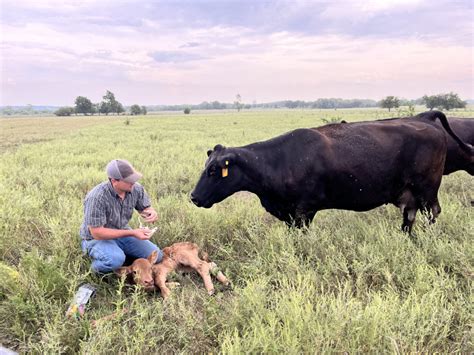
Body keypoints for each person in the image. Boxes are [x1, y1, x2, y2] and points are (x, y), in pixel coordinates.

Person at [80, 159, 163, 273]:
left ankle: (123, 260)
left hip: (122, 233)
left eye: (134, 178)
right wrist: (133, 232)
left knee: (156, 256)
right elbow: (97, 233)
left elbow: (145, 208)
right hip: (96, 239)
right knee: (114, 260)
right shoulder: (97, 197)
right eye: (129, 180)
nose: (133, 182)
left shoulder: (135, 189)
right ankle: (91, 271)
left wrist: (151, 212)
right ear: (114, 181)